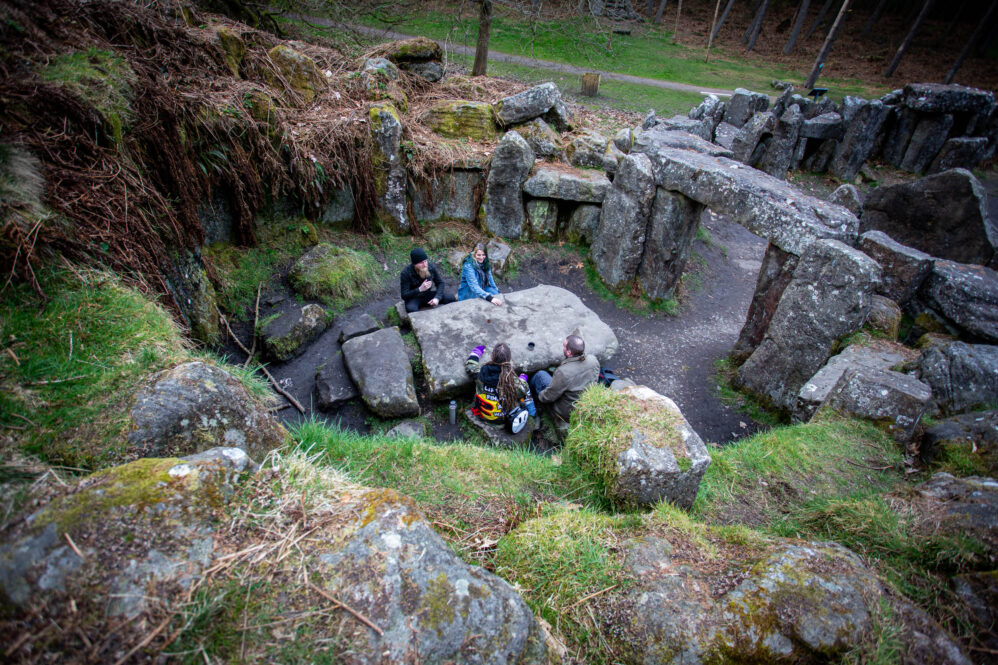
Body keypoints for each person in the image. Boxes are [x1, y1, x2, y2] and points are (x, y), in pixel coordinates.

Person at [529, 334, 600, 425]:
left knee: (540, 375)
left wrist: (540, 396)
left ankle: (530, 396)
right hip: (583, 402)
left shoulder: (563, 372)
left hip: (566, 411)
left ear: (569, 353)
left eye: (564, 346)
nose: (563, 347)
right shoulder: (593, 360)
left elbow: (549, 396)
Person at [465, 342, 530, 424]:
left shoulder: (480, 373)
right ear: (509, 360)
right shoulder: (511, 381)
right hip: (501, 419)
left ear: (492, 356)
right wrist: (523, 378)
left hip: (481, 414)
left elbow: (470, 367)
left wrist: (476, 353)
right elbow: (523, 390)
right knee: (519, 398)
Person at [400, 247, 454, 313]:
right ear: (415, 264)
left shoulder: (431, 267)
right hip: (415, 297)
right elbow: (404, 295)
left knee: (451, 298)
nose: (425, 265)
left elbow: (440, 283)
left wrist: (437, 298)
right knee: (411, 309)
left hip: (428, 295)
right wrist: (419, 289)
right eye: (421, 263)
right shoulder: (406, 273)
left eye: (425, 261)